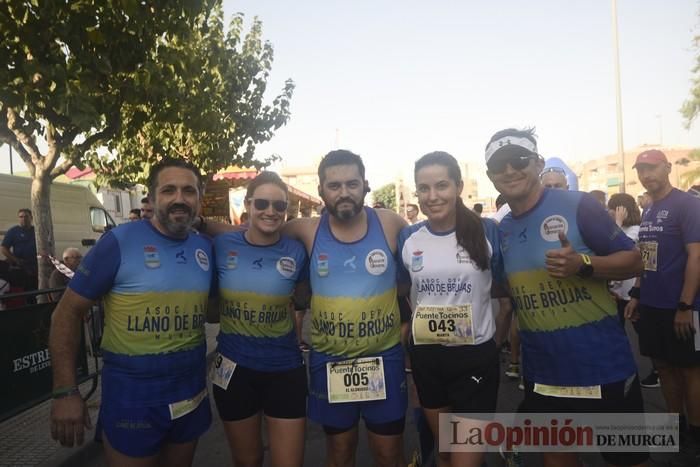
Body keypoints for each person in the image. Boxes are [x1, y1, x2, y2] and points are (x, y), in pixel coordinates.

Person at [485, 127, 646, 467]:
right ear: (490, 176)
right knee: (557, 457)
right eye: (501, 164)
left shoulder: (579, 205)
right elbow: (504, 289)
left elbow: (635, 260)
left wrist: (583, 264)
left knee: (628, 459)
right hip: (544, 370)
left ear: (538, 163)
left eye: (519, 160)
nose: (510, 170)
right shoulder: (503, 229)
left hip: (602, 365)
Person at [49, 158, 214, 467]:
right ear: (151, 199)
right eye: (169, 190)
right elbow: (66, 314)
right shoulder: (118, 242)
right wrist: (65, 391)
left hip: (190, 389)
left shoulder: (204, 247)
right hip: (133, 396)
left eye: (189, 191)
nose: (180, 198)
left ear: (199, 198)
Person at [284, 150, 408, 467]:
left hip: (384, 358)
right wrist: (201, 224)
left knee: (388, 453)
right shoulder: (307, 230)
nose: (343, 192)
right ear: (321, 191)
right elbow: (253, 236)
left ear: (366, 185)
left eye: (352, 183)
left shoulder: (391, 224)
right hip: (330, 361)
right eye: (334, 185)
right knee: (340, 452)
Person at [398, 151, 510, 467]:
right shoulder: (408, 237)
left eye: (442, 186)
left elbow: (505, 289)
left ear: (458, 186)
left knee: (466, 460)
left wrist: (498, 338)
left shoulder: (487, 230)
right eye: (424, 188)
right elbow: (402, 291)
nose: (432, 196)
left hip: (475, 358)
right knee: (445, 452)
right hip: (428, 359)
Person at [212, 172, 309, 467]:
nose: (271, 211)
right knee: (248, 460)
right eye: (263, 203)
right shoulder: (222, 245)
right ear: (249, 204)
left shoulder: (297, 250)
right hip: (233, 369)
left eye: (279, 206)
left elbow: (304, 298)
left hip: (284, 368)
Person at [625, 149, 700, 466]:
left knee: (691, 371)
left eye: (651, 168)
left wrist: (685, 305)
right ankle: (674, 427)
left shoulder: (688, 205)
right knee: (665, 368)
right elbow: (647, 258)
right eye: (641, 169)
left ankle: (696, 434)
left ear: (667, 168)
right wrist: (637, 294)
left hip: (681, 306)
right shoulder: (650, 209)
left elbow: (696, 257)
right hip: (653, 306)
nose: (646, 175)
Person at [1, 208, 38, 293]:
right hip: (20, 267)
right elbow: (3, 248)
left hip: (35, 266)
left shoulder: (36, 231)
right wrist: (15, 260)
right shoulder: (13, 231)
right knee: (21, 290)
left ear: (31, 218)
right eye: (21, 217)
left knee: (34, 289)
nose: (23, 219)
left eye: (26, 216)